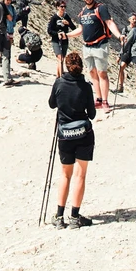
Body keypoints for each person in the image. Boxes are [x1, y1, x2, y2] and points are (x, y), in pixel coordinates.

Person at [48, 51, 96, 229]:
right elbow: (91, 113)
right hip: (83, 135)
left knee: (65, 175)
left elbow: (52, 104)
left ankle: (59, 217)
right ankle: (75, 217)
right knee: (80, 175)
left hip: (65, 135)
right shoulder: (86, 87)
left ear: (67, 67)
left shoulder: (59, 83)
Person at [67, 0, 123, 111]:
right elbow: (80, 29)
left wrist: (119, 36)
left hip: (100, 45)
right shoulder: (83, 12)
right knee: (92, 73)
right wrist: (67, 35)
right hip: (87, 46)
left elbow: (109, 22)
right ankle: (98, 98)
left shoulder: (100, 8)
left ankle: (105, 101)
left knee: (102, 73)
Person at [47, 1, 76, 77]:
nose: (63, 8)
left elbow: (74, 28)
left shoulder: (66, 16)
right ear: (57, 7)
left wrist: (68, 23)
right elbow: (49, 30)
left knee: (62, 59)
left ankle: (58, 76)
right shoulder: (54, 18)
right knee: (60, 58)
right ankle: (61, 77)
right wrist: (57, 33)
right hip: (56, 40)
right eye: (61, 6)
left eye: (64, 7)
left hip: (64, 39)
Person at [114, 12, 136, 94]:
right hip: (127, 51)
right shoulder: (126, 29)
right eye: (133, 19)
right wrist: (120, 54)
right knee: (121, 66)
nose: (134, 21)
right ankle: (120, 86)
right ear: (129, 19)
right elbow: (123, 42)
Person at [1, 0, 17, 86]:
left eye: (10, 0)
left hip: (10, 30)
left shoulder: (11, 8)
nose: (9, 2)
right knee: (6, 51)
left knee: (8, 48)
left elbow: (14, 17)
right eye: (7, 0)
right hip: (4, 30)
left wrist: (13, 23)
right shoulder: (2, 7)